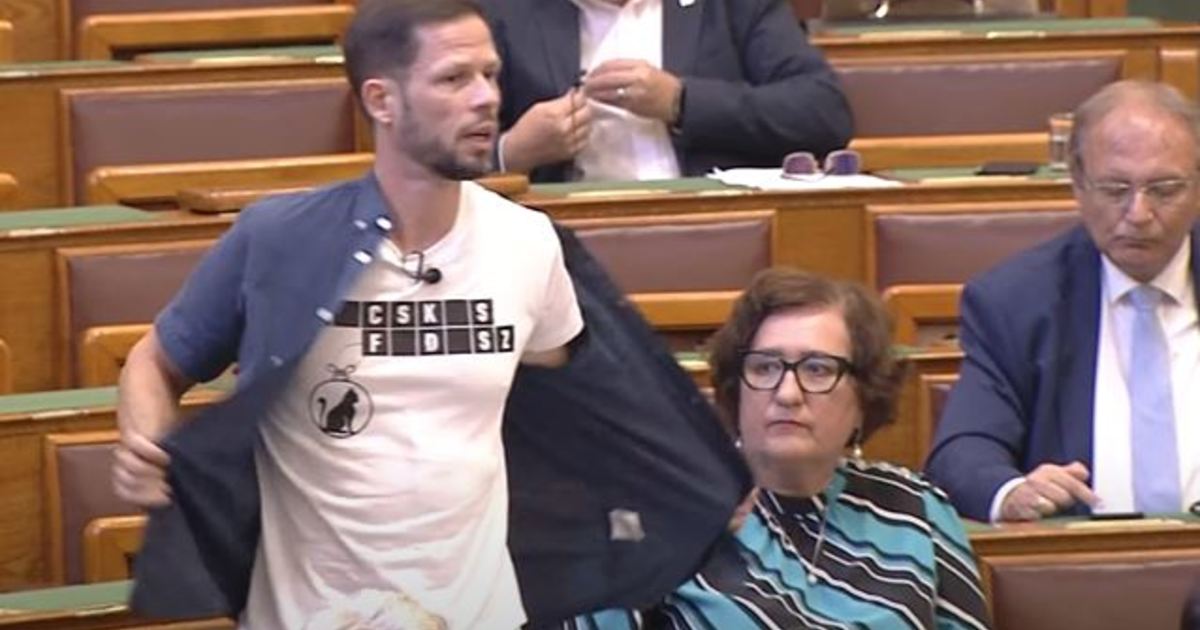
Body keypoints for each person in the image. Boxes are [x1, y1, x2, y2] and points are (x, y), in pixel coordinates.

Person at [112, 0, 586, 626]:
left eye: (490, 74)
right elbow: (155, 362)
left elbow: (564, 402)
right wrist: (147, 444)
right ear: (381, 101)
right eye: (453, 78)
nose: (486, 98)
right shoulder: (281, 238)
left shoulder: (528, 242)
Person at [569, 268, 991, 629]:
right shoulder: (667, 508)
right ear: (736, 388)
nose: (787, 393)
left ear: (864, 396)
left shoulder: (916, 508)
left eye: (818, 369)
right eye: (765, 367)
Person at [925, 80, 1200, 523]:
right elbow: (963, 451)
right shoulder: (1016, 300)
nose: (1139, 214)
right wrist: (1014, 492)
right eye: (1115, 189)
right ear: (1078, 185)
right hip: (1083, 556)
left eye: (1165, 189)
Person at [479, 0, 853, 183]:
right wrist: (511, 152)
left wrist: (681, 101)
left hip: (721, 225)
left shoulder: (730, 6)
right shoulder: (499, 14)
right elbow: (447, 149)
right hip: (567, 239)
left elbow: (823, 113)